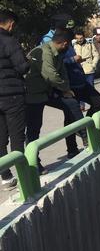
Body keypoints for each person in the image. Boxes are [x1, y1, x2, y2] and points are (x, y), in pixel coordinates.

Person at [25, 30, 86, 167]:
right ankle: (34, 164)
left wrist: (67, 90)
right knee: (34, 129)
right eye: (69, 45)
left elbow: (62, 72)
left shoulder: (57, 53)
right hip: (33, 93)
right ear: (64, 43)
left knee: (71, 104)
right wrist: (64, 88)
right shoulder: (44, 51)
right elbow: (51, 75)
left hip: (48, 90)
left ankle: (85, 135)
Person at [0, 10, 29, 187]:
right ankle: (24, 176)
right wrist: (29, 62)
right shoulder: (9, 41)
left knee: (0, 138)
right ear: (10, 23)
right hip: (12, 96)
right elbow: (22, 67)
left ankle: (5, 176)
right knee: (17, 136)